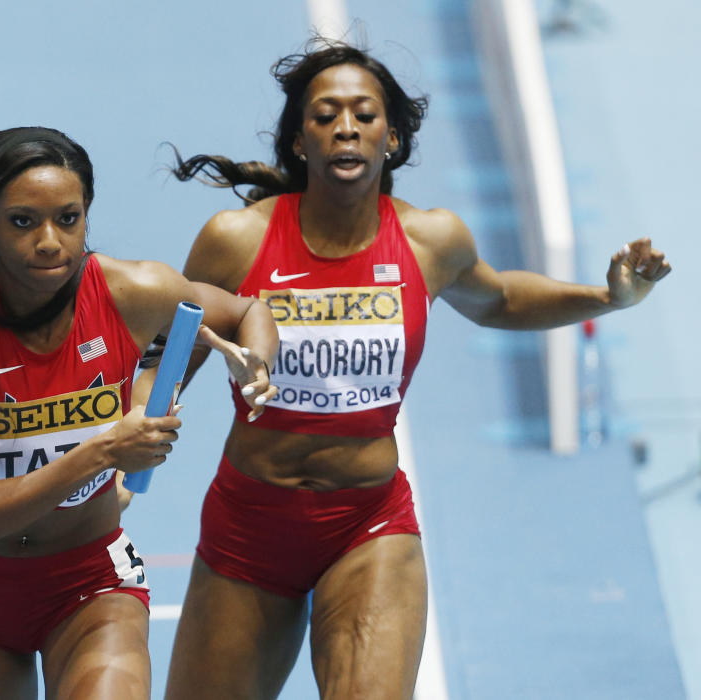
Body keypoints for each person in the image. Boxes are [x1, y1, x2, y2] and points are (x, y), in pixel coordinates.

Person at [157, 39, 672, 700]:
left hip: (367, 526)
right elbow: (177, 346)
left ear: (392, 138)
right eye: (325, 115)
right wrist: (123, 461)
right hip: (250, 524)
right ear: (298, 141)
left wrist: (607, 298)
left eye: (365, 115)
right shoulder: (237, 239)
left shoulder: (431, 240)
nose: (346, 126)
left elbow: (502, 299)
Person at [0, 126, 278, 700]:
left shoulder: (133, 292)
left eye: (68, 219)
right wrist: (104, 452)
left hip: (91, 585)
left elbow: (245, 312)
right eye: (23, 221)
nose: (50, 241)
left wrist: (254, 365)